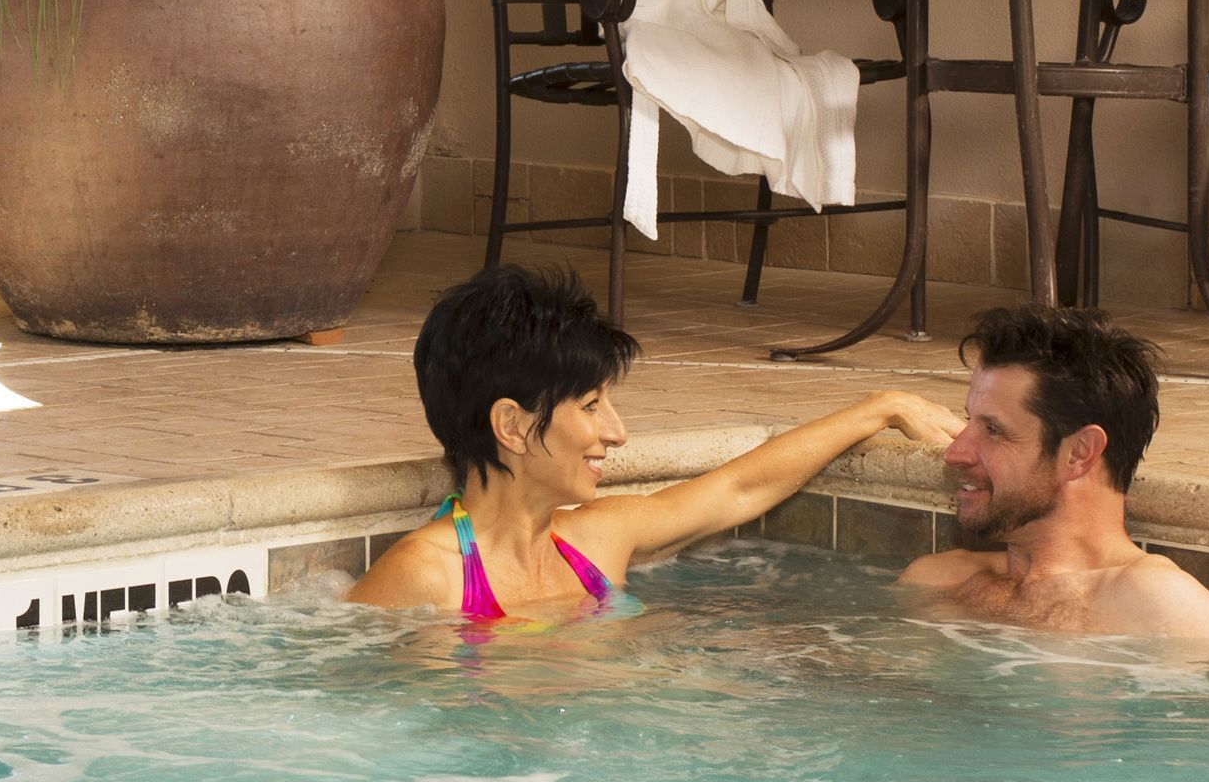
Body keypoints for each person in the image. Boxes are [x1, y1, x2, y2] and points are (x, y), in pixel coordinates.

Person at [348, 262, 958, 621]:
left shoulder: (593, 540)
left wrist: (881, 407)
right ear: (510, 425)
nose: (616, 433)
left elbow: (739, 487)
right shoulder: (426, 579)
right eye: (591, 406)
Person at [897, 304, 1209, 640]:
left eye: (994, 430)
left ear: (1079, 453)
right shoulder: (936, 581)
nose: (955, 453)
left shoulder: (1164, 609)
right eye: (970, 420)